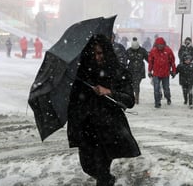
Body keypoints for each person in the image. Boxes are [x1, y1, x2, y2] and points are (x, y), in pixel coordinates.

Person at [67, 34, 141, 186]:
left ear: (106, 52)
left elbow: (129, 100)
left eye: (100, 53)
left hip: (107, 128)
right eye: (93, 53)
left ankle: (105, 180)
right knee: (87, 166)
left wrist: (109, 92)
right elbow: (74, 100)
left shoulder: (118, 72)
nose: (97, 57)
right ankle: (108, 180)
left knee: (101, 170)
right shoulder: (82, 74)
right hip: (85, 127)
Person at [148, 37, 177, 108]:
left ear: (164, 45)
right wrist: (149, 71)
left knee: (166, 88)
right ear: (156, 45)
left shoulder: (168, 51)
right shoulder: (153, 51)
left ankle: (168, 97)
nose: (160, 46)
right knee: (156, 88)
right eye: (158, 45)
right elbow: (151, 62)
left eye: (161, 45)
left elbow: (172, 62)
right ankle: (157, 102)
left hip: (165, 73)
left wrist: (174, 71)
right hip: (156, 73)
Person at [127, 37, 149, 104]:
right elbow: (124, 59)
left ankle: (136, 98)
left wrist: (152, 66)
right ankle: (133, 97)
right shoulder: (129, 50)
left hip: (140, 70)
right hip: (131, 70)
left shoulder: (142, 50)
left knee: (136, 84)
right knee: (132, 84)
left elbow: (148, 59)